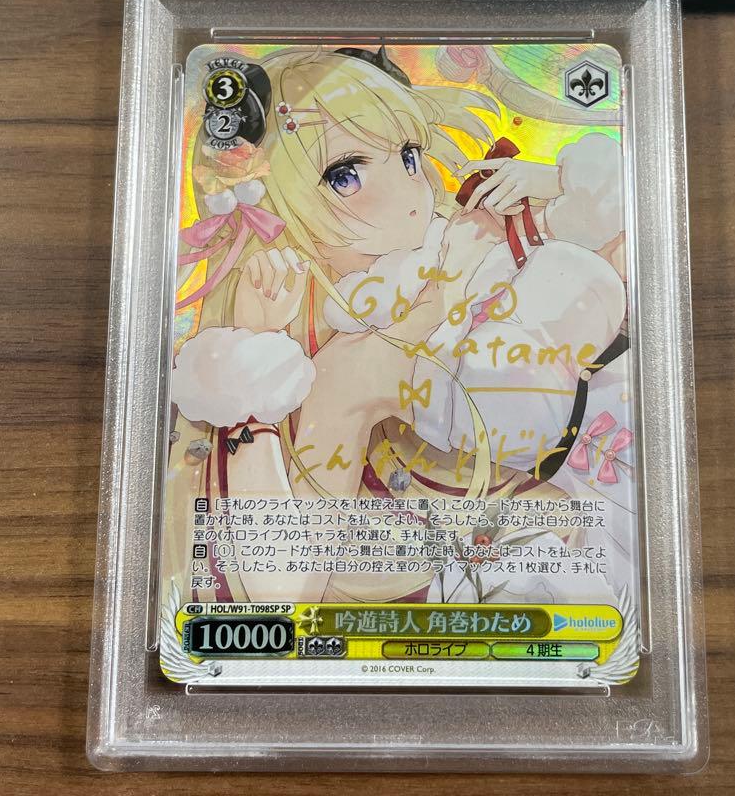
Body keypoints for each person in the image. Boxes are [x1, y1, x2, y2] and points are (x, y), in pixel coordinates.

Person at [168, 44, 637, 606]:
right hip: (607, 524)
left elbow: (637, 238)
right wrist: (252, 364)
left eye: (409, 156)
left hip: (655, 422)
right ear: (282, 212)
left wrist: (556, 178)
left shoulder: (484, 231)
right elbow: (281, 590)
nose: (410, 189)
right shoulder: (353, 365)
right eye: (344, 175)